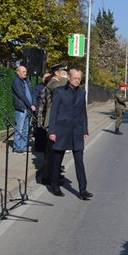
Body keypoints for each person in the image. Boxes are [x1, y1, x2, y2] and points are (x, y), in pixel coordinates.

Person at [48, 68, 92, 200]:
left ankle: (83, 190)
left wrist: (85, 130)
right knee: (57, 160)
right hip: (61, 131)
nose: (77, 81)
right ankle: (54, 185)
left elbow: (83, 113)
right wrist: (52, 131)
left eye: (79, 79)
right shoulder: (59, 92)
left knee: (79, 161)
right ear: (69, 78)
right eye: (75, 78)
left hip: (77, 131)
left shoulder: (82, 92)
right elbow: (53, 113)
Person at [40, 62, 68, 185]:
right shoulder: (52, 83)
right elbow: (60, 88)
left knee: (57, 151)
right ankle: (47, 177)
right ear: (56, 72)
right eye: (63, 71)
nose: (65, 73)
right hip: (52, 122)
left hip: (58, 121)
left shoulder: (59, 81)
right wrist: (66, 78)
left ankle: (54, 174)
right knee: (51, 152)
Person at [11, 65, 36, 153]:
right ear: (18, 72)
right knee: (19, 129)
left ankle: (23, 147)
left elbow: (33, 92)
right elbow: (21, 95)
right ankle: (17, 148)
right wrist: (30, 105)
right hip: (21, 108)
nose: (25, 73)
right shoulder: (16, 81)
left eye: (25, 71)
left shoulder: (27, 81)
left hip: (28, 108)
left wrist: (34, 103)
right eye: (23, 71)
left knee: (26, 130)